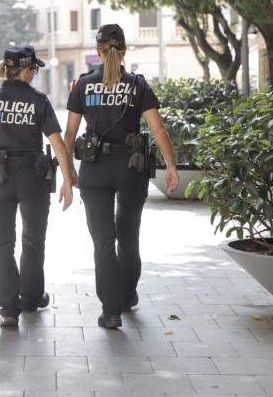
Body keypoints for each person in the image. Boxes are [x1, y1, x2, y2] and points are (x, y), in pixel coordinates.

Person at [63, 24, 179, 329]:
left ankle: (111, 310)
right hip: (131, 169)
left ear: (98, 52)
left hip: (94, 170)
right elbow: (159, 130)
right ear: (125, 50)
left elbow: (70, 134)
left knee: (103, 241)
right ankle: (127, 297)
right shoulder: (138, 85)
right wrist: (171, 166)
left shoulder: (83, 85)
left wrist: (67, 171)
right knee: (128, 237)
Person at [0, 45, 75, 328]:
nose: (34, 73)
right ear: (27, 71)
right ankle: (30, 298)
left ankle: (8, 309)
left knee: (1, 245)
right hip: (32, 180)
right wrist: (67, 180)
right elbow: (57, 143)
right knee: (33, 241)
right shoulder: (38, 100)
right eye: (34, 69)